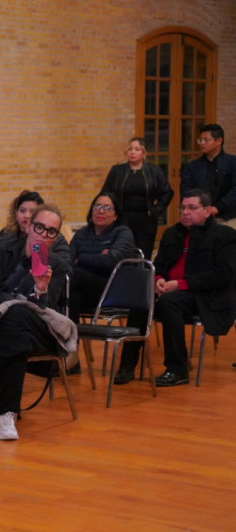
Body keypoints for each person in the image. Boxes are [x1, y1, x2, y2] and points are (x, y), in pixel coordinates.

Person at [0, 204, 76, 441]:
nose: (44, 234)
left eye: (51, 231)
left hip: (39, 328)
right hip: (3, 325)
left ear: (56, 236)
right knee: (15, 329)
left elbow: (46, 310)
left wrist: (41, 289)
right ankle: (5, 415)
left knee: (18, 317)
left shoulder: (57, 265)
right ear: (29, 225)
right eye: (40, 227)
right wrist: (14, 303)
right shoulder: (5, 248)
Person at [114, 190, 236, 387]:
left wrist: (180, 284)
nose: (185, 212)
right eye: (183, 207)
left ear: (207, 211)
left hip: (206, 297)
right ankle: (127, 366)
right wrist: (159, 280)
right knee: (141, 300)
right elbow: (159, 264)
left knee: (171, 302)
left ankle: (177, 370)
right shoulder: (172, 233)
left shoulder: (225, 236)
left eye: (192, 208)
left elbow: (224, 275)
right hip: (170, 291)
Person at [100, 136, 173, 258]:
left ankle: (142, 276)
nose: (132, 152)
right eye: (130, 149)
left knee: (142, 255)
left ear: (144, 153)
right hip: (122, 218)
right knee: (122, 253)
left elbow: (167, 192)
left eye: (137, 149)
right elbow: (106, 193)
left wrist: (156, 210)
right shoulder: (117, 171)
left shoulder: (154, 171)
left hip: (146, 219)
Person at [68, 192, 137, 320]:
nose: (101, 211)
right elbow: (68, 260)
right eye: (97, 207)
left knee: (73, 277)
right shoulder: (82, 234)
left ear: (116, 215)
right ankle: (70, 339)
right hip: (84, 287)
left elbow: (111, 261)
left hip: (112, 287)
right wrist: (97, 258)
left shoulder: (123, 232)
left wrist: (81, 259)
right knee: (72, 297)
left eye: (107, 208)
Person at [180, 124, 236, 225]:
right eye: (200, 140)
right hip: (198, 218)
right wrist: (197, 208)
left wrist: (218, 208)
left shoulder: (232, 163)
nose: (202, 143)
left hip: (227, 217)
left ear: (219, 141)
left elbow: (234, 190)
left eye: (206, 140)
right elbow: (186, 189)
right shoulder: (192, 166)